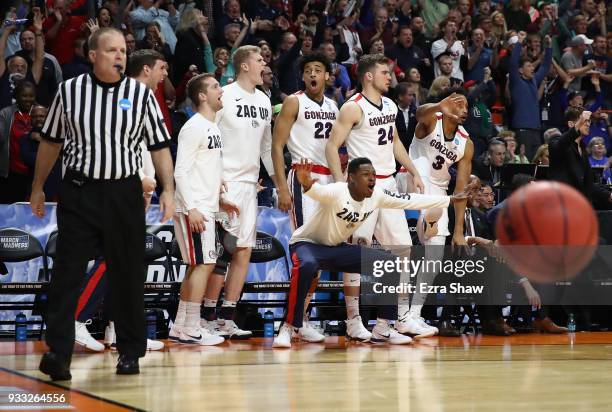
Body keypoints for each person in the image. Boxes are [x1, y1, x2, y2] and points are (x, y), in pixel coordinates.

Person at [30, 28, 175, 380]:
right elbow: (51, 142)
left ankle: (129, 352)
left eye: (123, 51)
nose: (119, 56)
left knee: (127, 274)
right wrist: (37, 186)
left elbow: (158, 147)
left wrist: (168, 189)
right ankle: (59, 353)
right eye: (111, 50)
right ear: (93, 55)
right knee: (67, 274)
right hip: (80, 191)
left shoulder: (141, 95)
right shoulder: (70, 91)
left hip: (124, 193)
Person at [273, 158, 467, 347]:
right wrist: (307, 184)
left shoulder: (377, 196)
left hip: (337, 248)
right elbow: (317, 192)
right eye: (366, 175)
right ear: (351, 178)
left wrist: (449, 199)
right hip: (308, 244)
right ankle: (288, 327)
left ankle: (382, 328)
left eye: (373, 174)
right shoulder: (338, 190)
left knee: (390, 263)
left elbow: (410, 200)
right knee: (306, 265)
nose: (372, 178)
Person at [325, 54, 427, 341]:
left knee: (403, 249)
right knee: (357, 252)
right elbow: (333, 147)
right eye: (385, 72)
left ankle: (388, 323)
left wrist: (413, 170)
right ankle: (353, 320)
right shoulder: (352, 107)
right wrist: (338, 183)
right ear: (368, 76)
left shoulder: (391, 105)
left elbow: (394, 142)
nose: (390, 77)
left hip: (388, 183)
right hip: (362, 189)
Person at [202, 45, 276, 339]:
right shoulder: (223, 95)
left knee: (243, 250)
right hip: (224, 183)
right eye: (259, 60)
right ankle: (204, 315)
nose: (264, 64)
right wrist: (215, 181)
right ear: (244, 66)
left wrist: (277, 181)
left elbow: (267, 147)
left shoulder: (265, 100)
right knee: (223, 251)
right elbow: (210, 139)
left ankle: (226, 316)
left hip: (249, 184)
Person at [271, 52, 337, 344]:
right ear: (303, 77)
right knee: (305, 251)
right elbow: (276, 146)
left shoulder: (335, 106)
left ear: (327, 76)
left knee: (319, 255)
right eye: (308, 70)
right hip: (302, 176)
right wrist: (282, 188)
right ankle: (288, 324)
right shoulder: (294, 101)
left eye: (318, 69)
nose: (313, 74)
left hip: (328, 181)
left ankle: (303, 319)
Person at [169, 73, 239, 346]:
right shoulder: (194, 126)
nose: (220, 90)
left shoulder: (212, 127)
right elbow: (181, 171)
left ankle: (181, 325)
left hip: (207, 206)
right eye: (215, 87)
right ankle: (191, 327)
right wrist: (192, 208)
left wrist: (221, 200)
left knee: (198, 265)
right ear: (201, 96)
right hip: (194, 208)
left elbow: (205, 170)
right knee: (204, 264)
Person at [405, 88, 474, 337]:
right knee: (421, 167)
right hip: (410, 180)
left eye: (466, 105)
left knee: (434, 257)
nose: (463, 109)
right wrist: (438, 106)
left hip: (438, 193)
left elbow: (461, 189)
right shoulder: (432, 119)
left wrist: (458, 231)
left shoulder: (466, 143)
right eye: (458, 103)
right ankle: (422, 221)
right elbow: (418, 114)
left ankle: (413, 314)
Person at [548, 107, 612, 206]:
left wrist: (609, 195)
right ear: (570, 124)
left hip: (579, 206)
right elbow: (560, 145)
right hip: (561, 204)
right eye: (584, 120)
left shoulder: (583, 148)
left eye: (589, 121)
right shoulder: (556, 140)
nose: (588, 123)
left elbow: (588, 184)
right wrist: (580, 122)